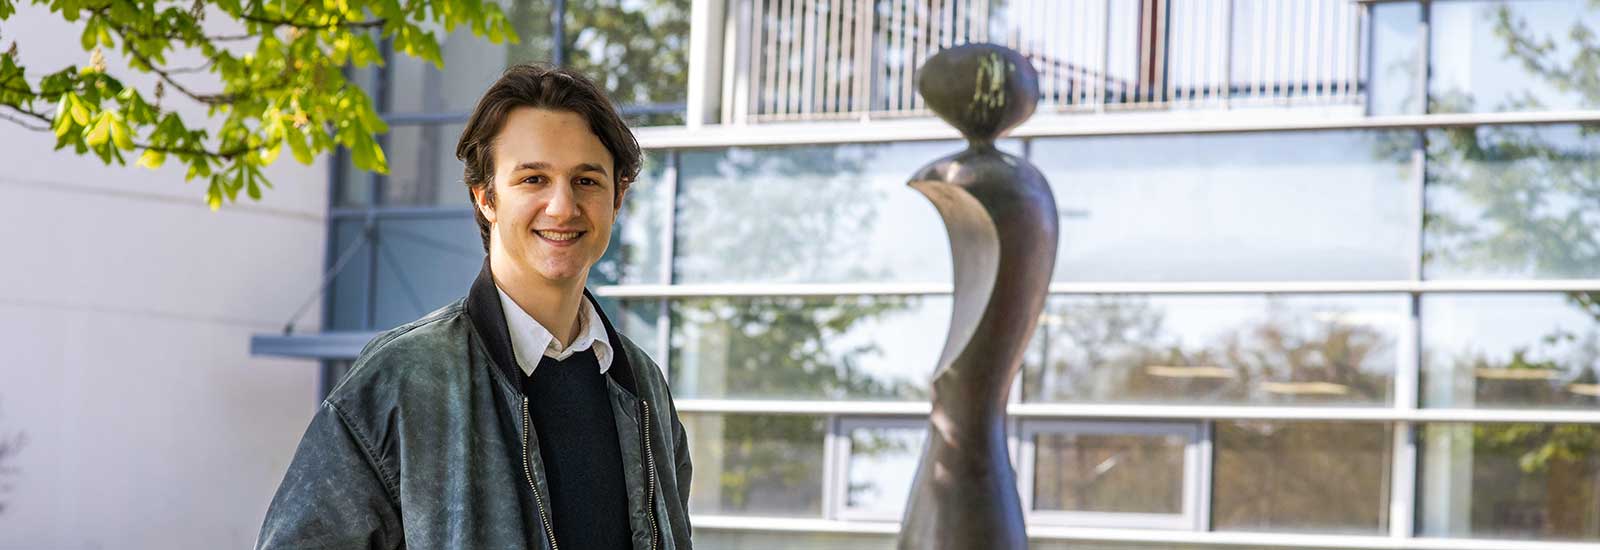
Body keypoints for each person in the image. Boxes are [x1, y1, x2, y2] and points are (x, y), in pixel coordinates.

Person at [256, 64, 692, 550]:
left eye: (586, 181)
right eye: (533, 179)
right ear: (486, 197)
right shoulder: (401, 380)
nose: (563, 207)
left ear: (618, 197)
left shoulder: (643, 387)